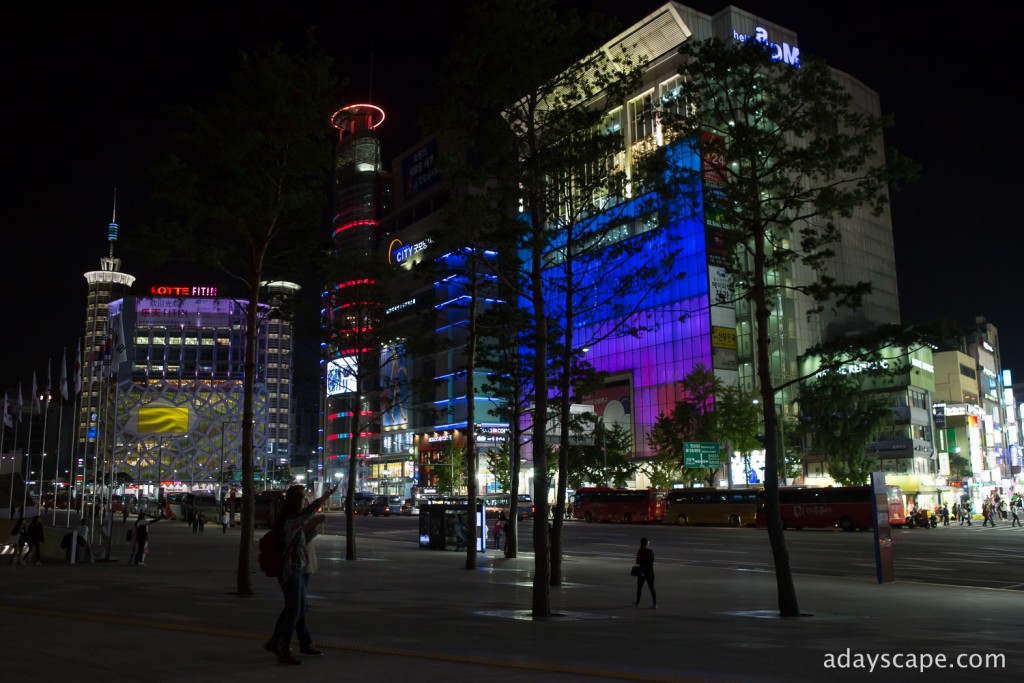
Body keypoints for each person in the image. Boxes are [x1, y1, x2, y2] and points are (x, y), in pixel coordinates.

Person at [265, 483, 338, 665]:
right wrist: (326, 495)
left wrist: (313, 525)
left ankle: (277, 642)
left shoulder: (290, 520)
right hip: (291, 570)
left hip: (296, 568)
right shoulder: (291, 519)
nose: (306, 500)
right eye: (303, 497)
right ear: (296, 500)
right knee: (294, 610)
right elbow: (310, 511)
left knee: (297, 608)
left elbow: (303, 538)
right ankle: (283, 648)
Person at [633, 537, 656, 609]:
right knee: (651, 588)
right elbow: (651, 561)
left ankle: (637, 602)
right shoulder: (650, 551)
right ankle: (655, 603)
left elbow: (637, 562)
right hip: (649, 571)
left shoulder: (640, 551)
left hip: (642, 571)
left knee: (639, 588)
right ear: (646, 543)